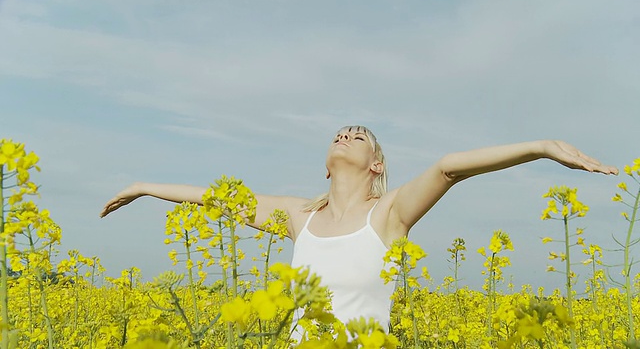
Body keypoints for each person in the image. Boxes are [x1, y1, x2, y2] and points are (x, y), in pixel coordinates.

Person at [99, 125, 618, 338]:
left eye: (361, 135)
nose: (347, 134)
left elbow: (448, 167)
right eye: (340, 133)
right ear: (327, 165)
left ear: (376, 165)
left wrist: (539, 147)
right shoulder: (299, 214)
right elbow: (218, 199)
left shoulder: (389, 214)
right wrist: (145, 186)